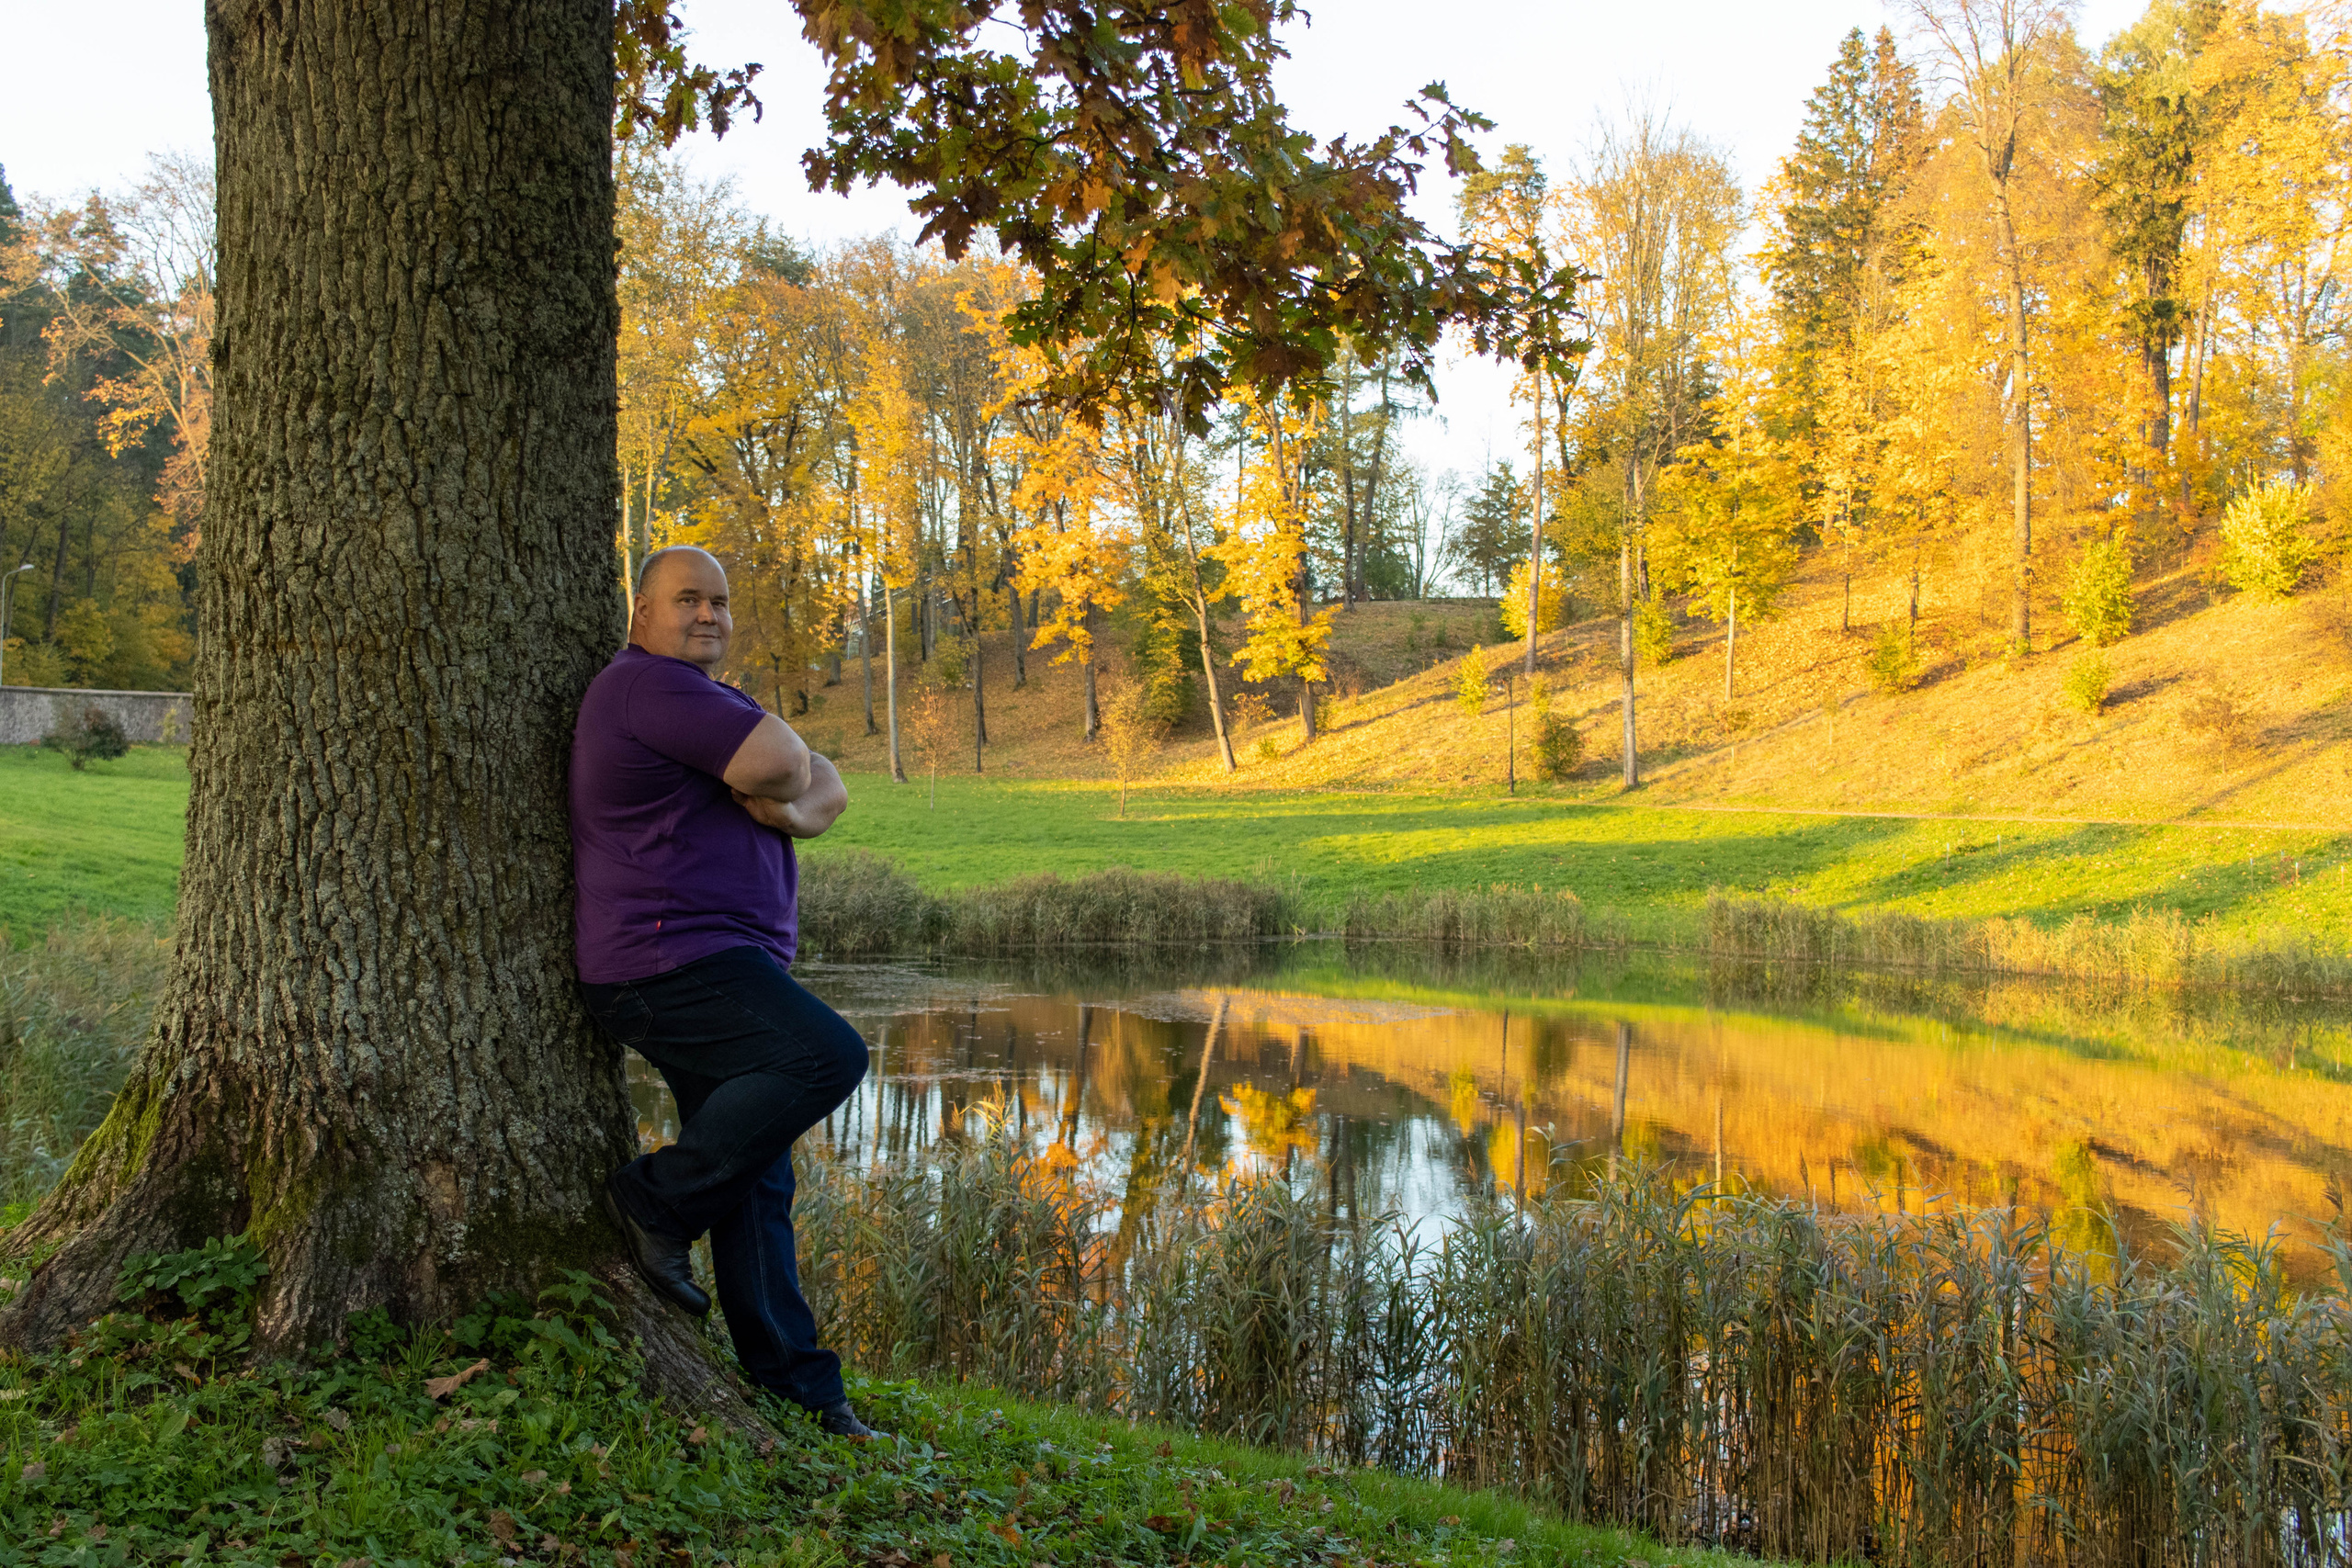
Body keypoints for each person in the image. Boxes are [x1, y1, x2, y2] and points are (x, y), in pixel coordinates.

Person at [569, 544, 881, 1439]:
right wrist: (787, 785)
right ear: (641, 613)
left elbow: (827, 791)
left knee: (754, 1181)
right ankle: (653, 1202)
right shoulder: (648, 688)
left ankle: (800, 1392)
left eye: (720, 602)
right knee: (827, 1054)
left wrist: (789, 797)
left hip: (704, 963)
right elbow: (791, 769)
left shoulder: (699, 701)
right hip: (668, 962)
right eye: (687, 600)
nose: (708, 615)